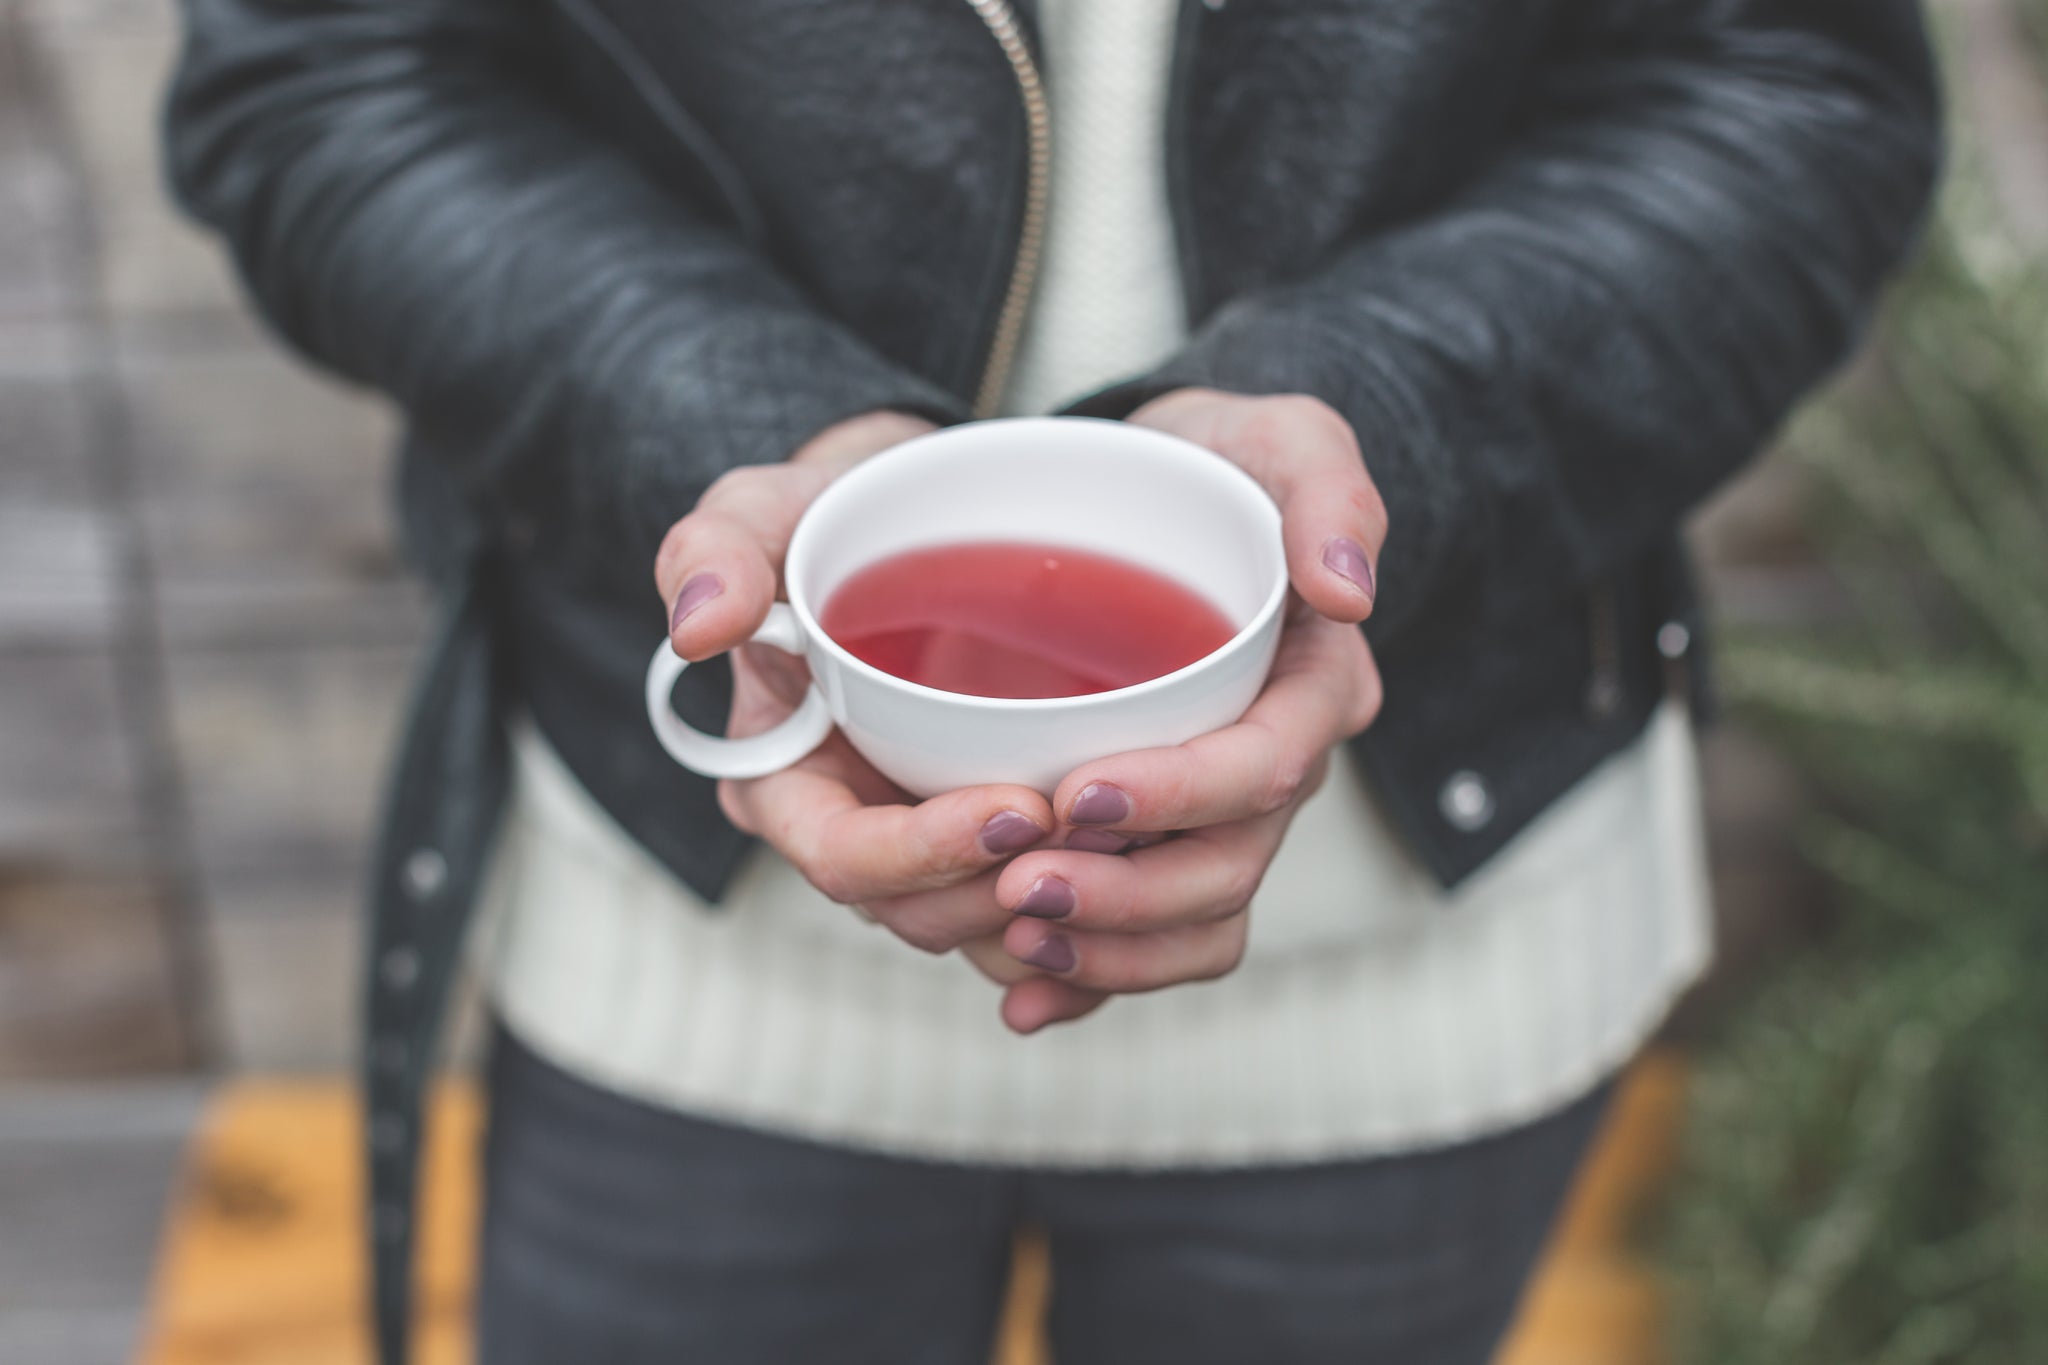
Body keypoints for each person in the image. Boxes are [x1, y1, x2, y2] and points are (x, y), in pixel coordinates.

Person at [164, 1, 1941, 1361]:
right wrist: (749, 433)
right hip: (684, 953)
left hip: (1417, 968)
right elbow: (324, 80)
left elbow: (1789, 85)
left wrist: (1385, 418)